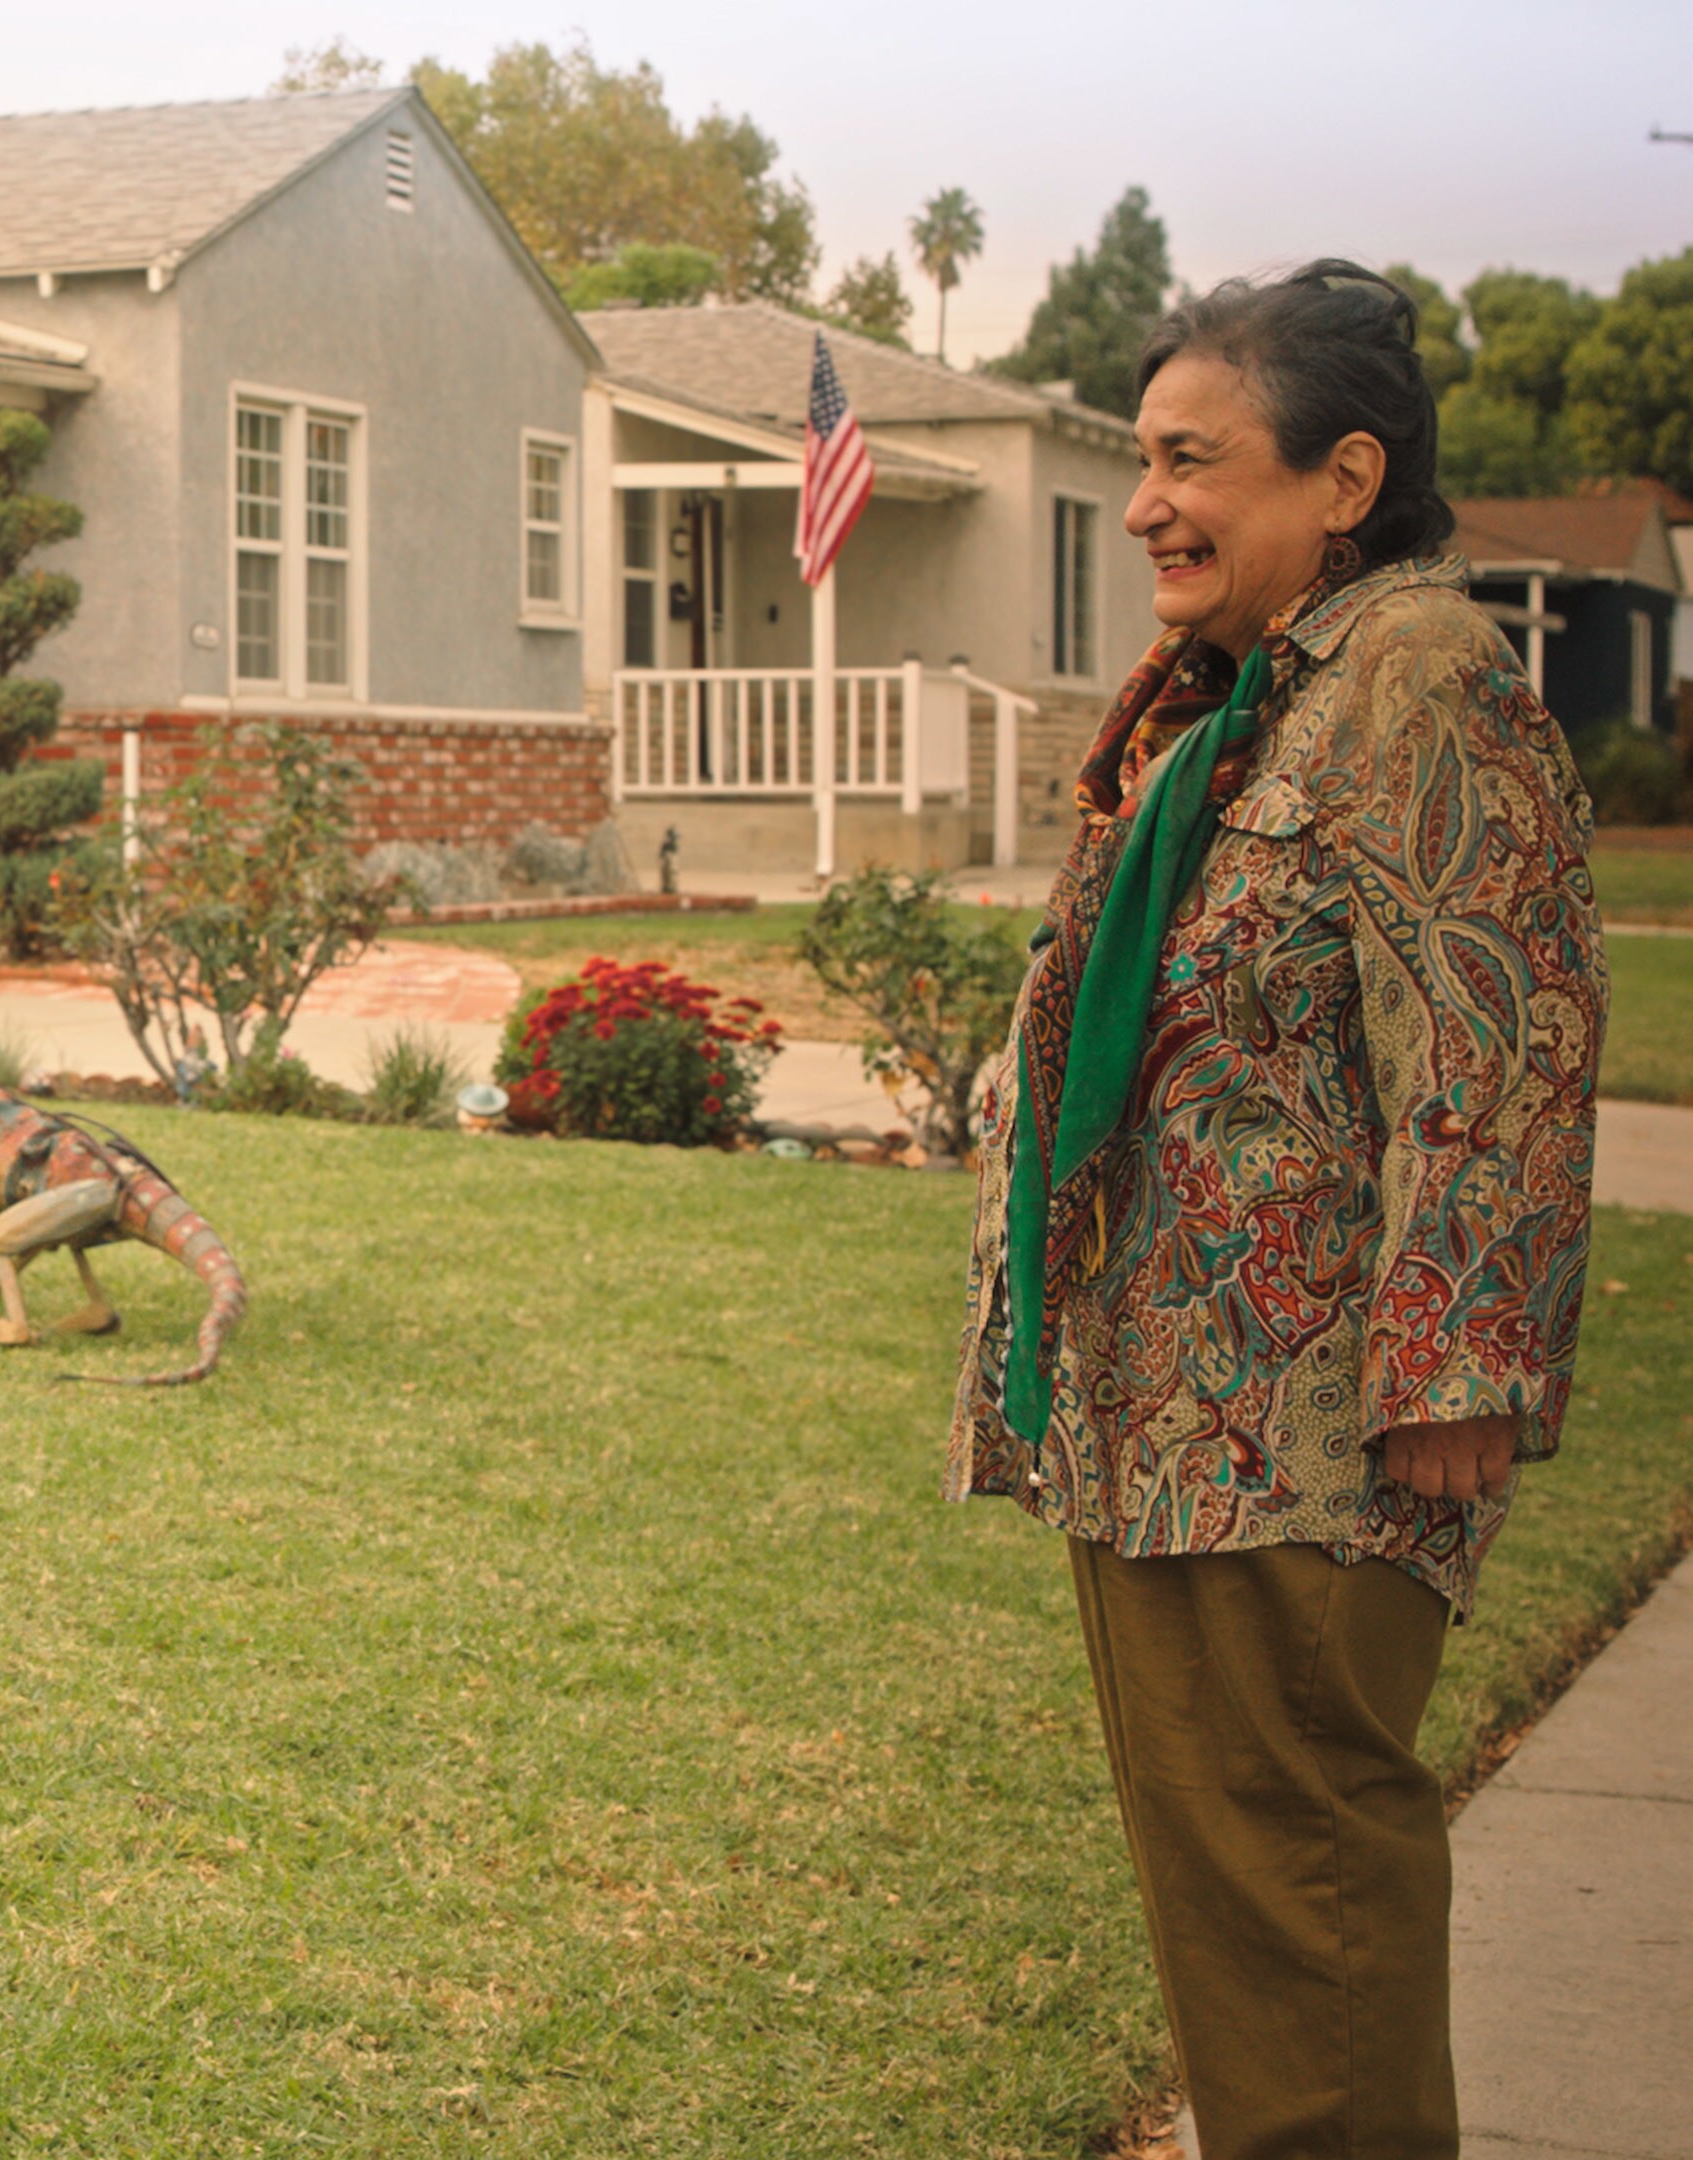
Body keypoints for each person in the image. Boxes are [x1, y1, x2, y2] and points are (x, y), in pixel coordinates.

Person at [952, 259, 1603, 2160]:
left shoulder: (1420, 684)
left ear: (1342, 477)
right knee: (1239, 1914)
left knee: (1307, 1896)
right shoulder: (1254, 700)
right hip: (1173, 1414)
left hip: (1307, 1432)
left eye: (1187, 460)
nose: (1144, 501)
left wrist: (1461, 1362)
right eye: (1139, 460)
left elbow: (1499, 1034)